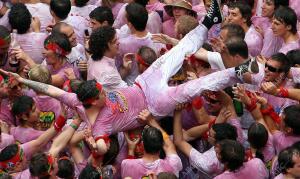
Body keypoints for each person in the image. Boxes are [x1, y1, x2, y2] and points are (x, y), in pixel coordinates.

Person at [2, 0, 256, 156]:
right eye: (102, 94)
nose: (106, 93)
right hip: (154, 105)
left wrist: (23, 80)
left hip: (143, 83)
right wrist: (96, 146)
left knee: (177, 53)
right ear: (94, 101)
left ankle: (209, 21)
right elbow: (100, 145)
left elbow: (51, 90)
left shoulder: (76, 98)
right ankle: (240, 71)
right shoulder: (99, 126)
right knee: (195, 86)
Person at [121, 110, 182, 178]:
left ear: (143, 145)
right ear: (162, 144)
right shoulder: (173, 164)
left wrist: (131, 150)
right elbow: (168, 145)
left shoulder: (127, 164)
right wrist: (151, 121)